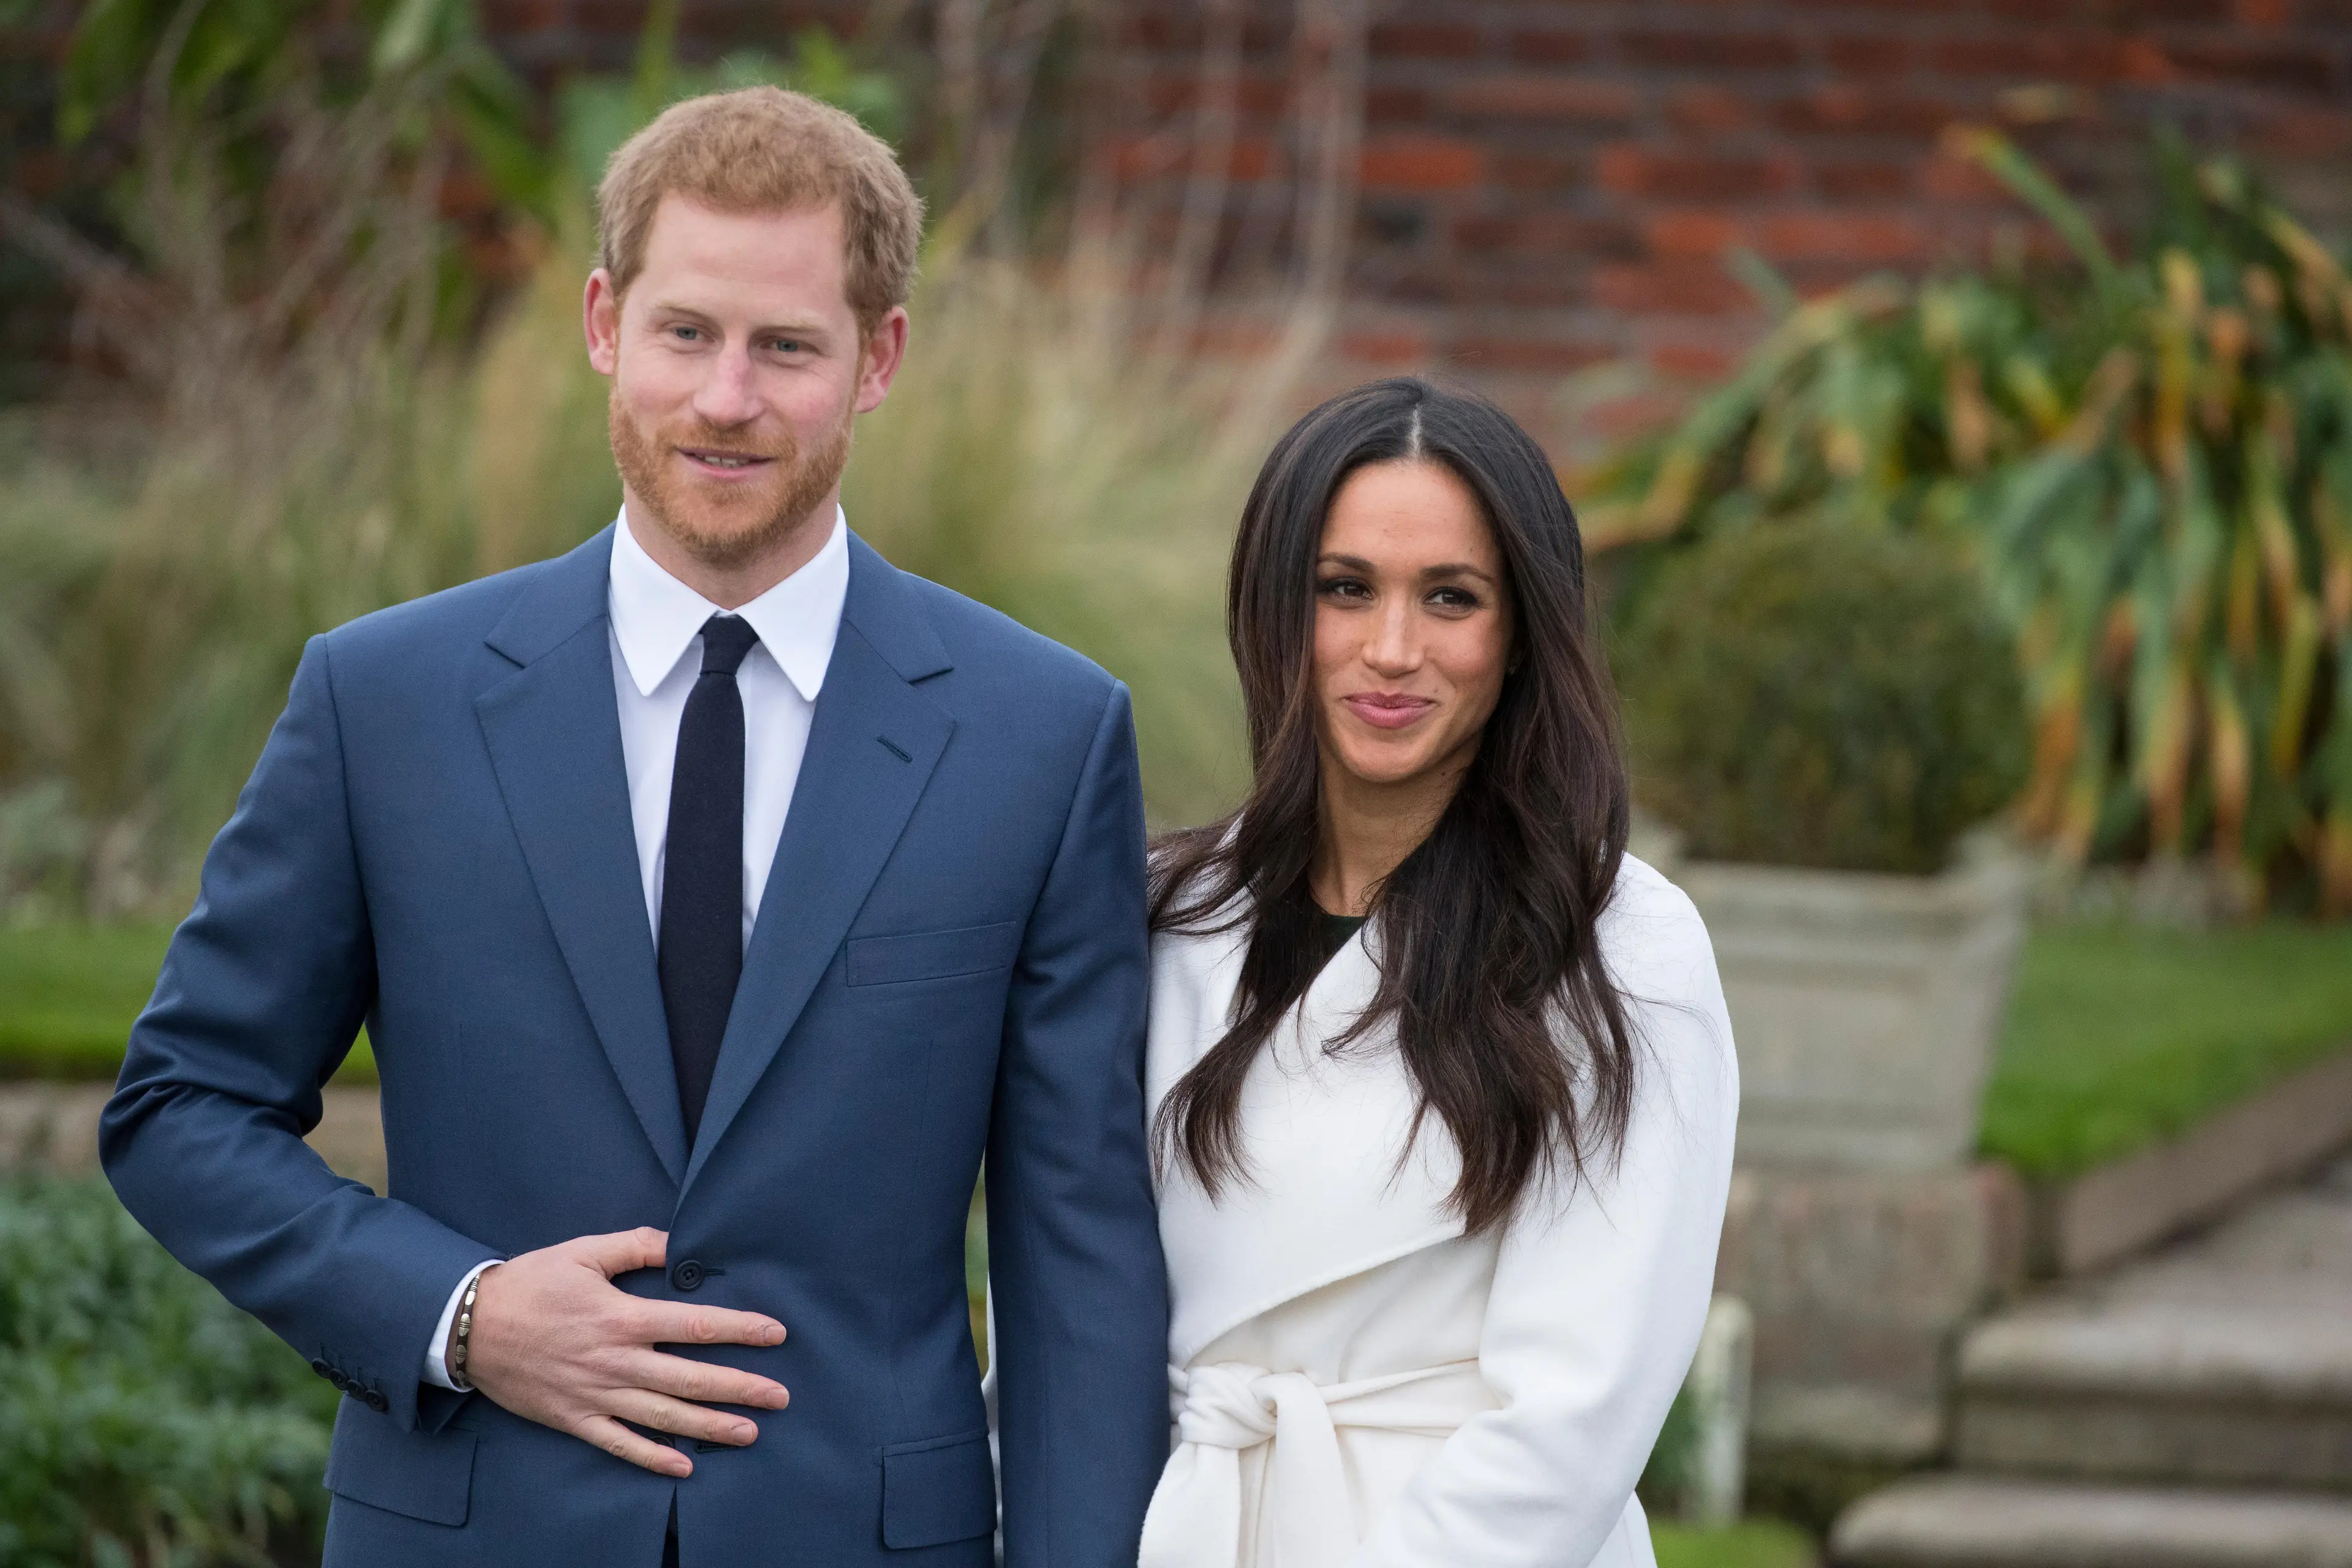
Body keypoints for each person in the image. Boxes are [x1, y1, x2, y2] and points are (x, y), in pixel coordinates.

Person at [100, 86, 1168, 1568]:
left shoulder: (1040, 735)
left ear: (880, 359)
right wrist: (463, 1316)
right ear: (606, 322)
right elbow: (181, 1108)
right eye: (687, 332)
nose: (726, 398)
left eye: (787, 345)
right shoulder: (384, 699)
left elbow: (1081, 1257)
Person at [1137, 377, 1738, 1567]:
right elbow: (1073, 1302)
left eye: (1450, 598)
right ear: (1273, 606)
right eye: (1345, 588)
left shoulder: (1619, 948)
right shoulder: (1168, 912)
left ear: (1520, 635)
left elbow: (1571, 1419)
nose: (1393, 649)